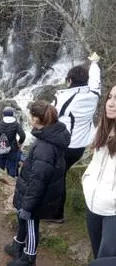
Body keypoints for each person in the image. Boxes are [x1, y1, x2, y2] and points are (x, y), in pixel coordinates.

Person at [4, 100, 71, 266]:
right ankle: (17, 246)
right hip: (34, 191)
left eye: (30, 115)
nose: (28, 118)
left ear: (35, 120)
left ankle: (29, 258)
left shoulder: (45, 147)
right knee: (23, 220)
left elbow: (38, 180)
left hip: (37, 197)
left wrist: (28, 206)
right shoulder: (52, 134)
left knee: (31, 223)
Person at [52, 52, 101, 222]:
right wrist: (94, 63)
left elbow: (50, 116)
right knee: (60, 174)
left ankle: (56, 215)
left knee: (57, 177)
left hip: (65, 146)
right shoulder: (93, 95)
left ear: (70, 81)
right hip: (80, 147)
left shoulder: (65, 98)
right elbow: (95, 81)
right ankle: (54, 211)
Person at [82, 84, 116, 260]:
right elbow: (95, 163)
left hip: (113, 211)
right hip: (92, 204)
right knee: (97, 255)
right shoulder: (102, 129)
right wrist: (86, 181)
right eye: (110, 97)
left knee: (106, 258)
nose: (110, 103)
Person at [0, 107, 26, 177]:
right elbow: (22, 135)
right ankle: (11, 183)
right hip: (13, 149)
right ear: (12, 114)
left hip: (1, 148)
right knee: (12, 168)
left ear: (3, 115)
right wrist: (19, 143)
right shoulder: (16, 124)